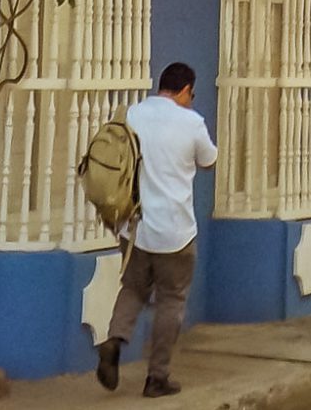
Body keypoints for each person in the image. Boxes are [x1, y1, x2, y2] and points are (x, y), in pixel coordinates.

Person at [97, 61, 217, 399]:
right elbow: (208, 160)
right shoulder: (192, 122)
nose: (191, 100)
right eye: (191, 94)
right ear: (182, 90)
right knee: (171, 300)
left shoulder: (133, 114)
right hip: (175, 232)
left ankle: (114, 341)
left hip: (134, 227)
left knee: (133, 289)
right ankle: (157, 377)